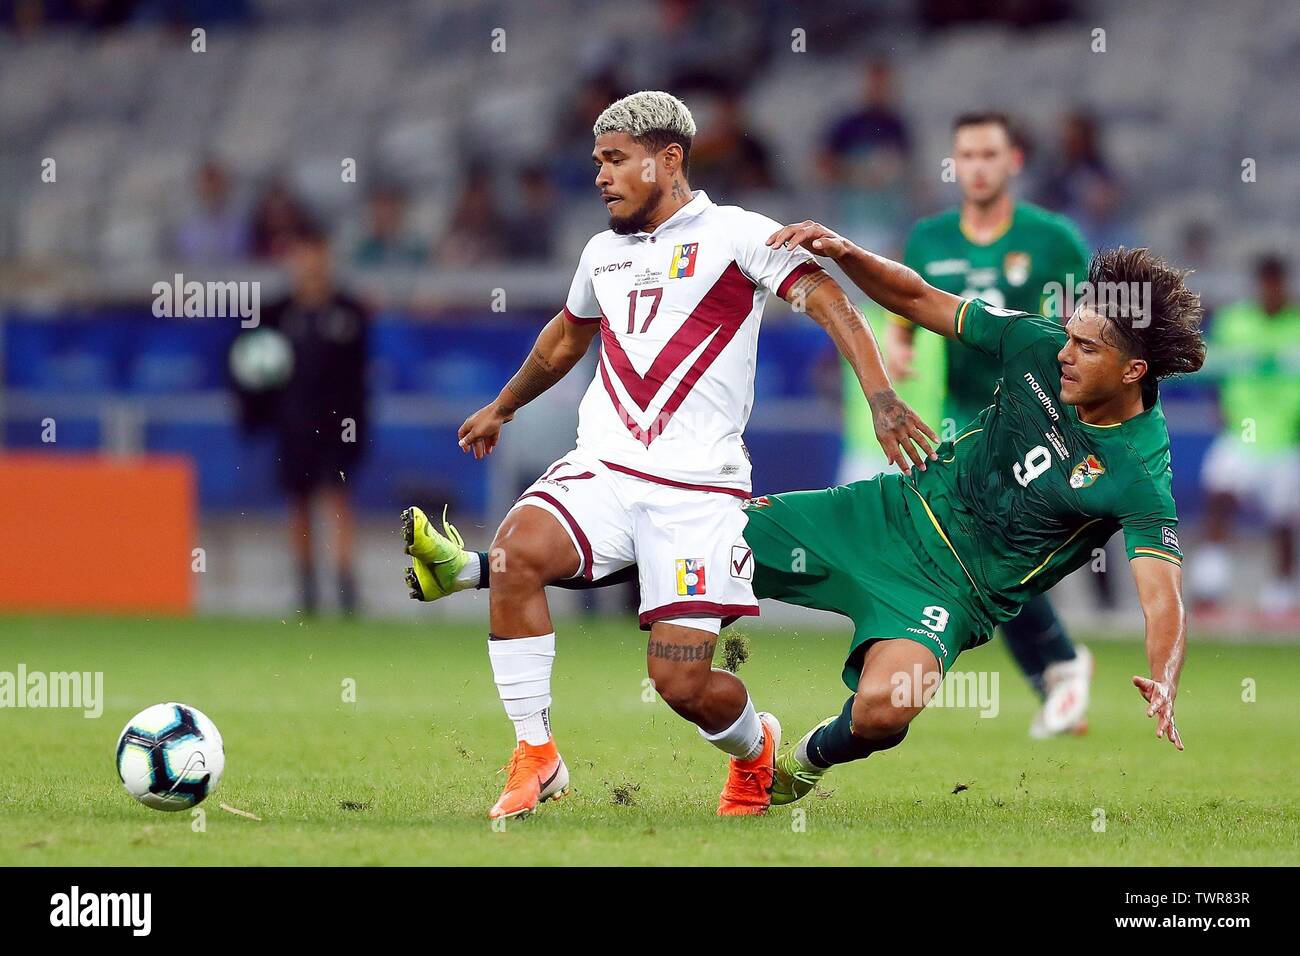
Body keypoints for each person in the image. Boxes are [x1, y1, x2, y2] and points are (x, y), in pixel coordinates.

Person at [405, 229, 1204, 816]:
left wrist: (1163, 673)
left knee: (887, 713)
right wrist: (850, 256)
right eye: (1069, 335)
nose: (1065, 352)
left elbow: (1160, 594)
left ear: (1133, 371)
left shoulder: (1140, 471)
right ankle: (475, 568)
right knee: (703, 532)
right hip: (885, 512)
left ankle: (802, 762)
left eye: (1087, 348)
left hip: (951, 596)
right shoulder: (1034, 346)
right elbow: (922, 299)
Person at [417, 90, 935, 821]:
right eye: (597, 161)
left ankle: (756, 749)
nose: (601, 176)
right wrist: (505, 404)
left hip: (698, 493)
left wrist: (881, 397)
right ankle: (538, 752)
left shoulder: (736, 234)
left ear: (668, 161)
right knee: (516, 554)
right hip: (602, 465)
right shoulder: (602, 251)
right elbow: (567, 337)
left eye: (616, 161)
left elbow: (830, 302)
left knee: (681, 685)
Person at [883, 111, 1095, 737]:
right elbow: (907, 307)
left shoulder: (1053, 240)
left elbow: (1086, 329)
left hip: (1035, 418)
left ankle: (1059, 669)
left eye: (987, 154)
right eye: (965, 156)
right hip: (963, 422)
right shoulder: (928, 241)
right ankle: (1059, 674)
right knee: (983, 560)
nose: (975, 166)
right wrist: (898, 345)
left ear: (1013, 162)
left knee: (986, 551)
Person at [234, 224, 369, 615]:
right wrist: (257, 414)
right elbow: (253, 370)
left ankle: (346, 588)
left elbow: (360, 379)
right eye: (302, 254)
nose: (309, 263)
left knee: (338, 499)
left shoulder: (348, 312)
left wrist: (357, 428)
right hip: (293, 426)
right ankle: (307, 588)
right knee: (298, 505)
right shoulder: (276, 314)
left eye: (316, 253)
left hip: (337, 425)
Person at [1193, 255, 1300, 614]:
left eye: (1277, 283)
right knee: (1220, 496)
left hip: (1285, 440)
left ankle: (1282, 594)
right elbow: (1213, 369)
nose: (1271, 290)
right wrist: (1220, 405)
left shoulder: (1297, 326)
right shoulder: (1234, 323)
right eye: (1266, 283)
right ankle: (1210, 584)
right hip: (1242, 435)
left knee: (1283, 519)